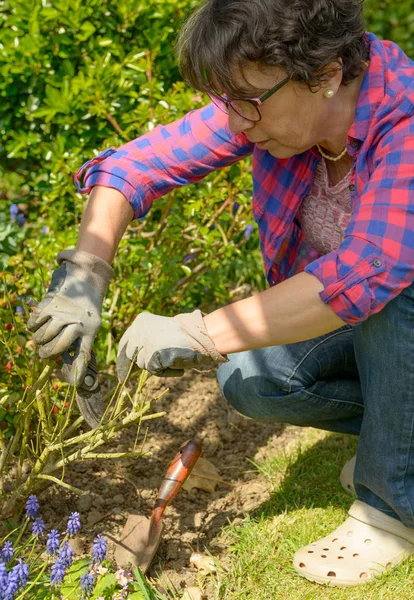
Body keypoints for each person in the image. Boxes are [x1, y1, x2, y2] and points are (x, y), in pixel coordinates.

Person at [27, 0, 414, 588]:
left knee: (394, 291)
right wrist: (82, 277)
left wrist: (198, 329)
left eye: (247, 103)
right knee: (249, 375)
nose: (234, 123)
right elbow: (137, 167)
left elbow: (371, 269)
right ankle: (401, 440)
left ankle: (390, 507)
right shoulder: (270, 104)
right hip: (367, 316)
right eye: (227, 102)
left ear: (328, 74)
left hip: (393, 300)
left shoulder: (405, 117)